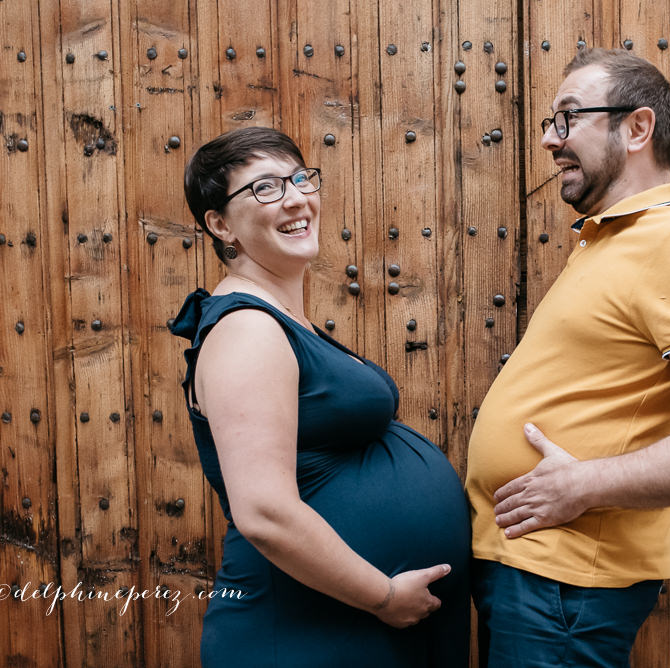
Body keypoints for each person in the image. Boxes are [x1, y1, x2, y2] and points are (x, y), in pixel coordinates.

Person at [465, 47, 670, 667]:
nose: (551, 142)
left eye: (568, 119)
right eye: (551, 123)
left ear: (637, 127)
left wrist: (585, 484)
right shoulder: (614, 240)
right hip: (534, 574)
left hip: (566, 587)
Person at [169, 126, 470, 667]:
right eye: (264, 188)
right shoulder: (245, 329)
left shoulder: (282, 320)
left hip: (352, 629)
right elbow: (264, 511)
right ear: (219, 225)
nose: (296, 197)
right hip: (309, 632)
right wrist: (382, 596)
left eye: (301, 178)